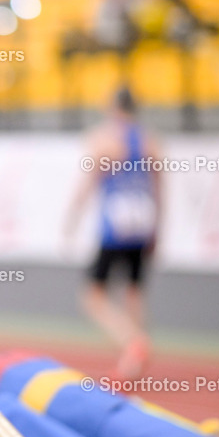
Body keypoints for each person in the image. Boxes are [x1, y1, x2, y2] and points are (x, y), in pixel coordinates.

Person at [66, 87, 160, 380]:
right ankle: (134, 362)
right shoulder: (150, 141)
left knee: (93, 296)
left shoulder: (104, 140)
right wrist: (158, 226)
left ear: (113, 107)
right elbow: (159, 188)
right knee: (133, 290)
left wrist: (72, 217)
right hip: (143, 217)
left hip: (117, 221)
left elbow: (89, 181)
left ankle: (133, 342)